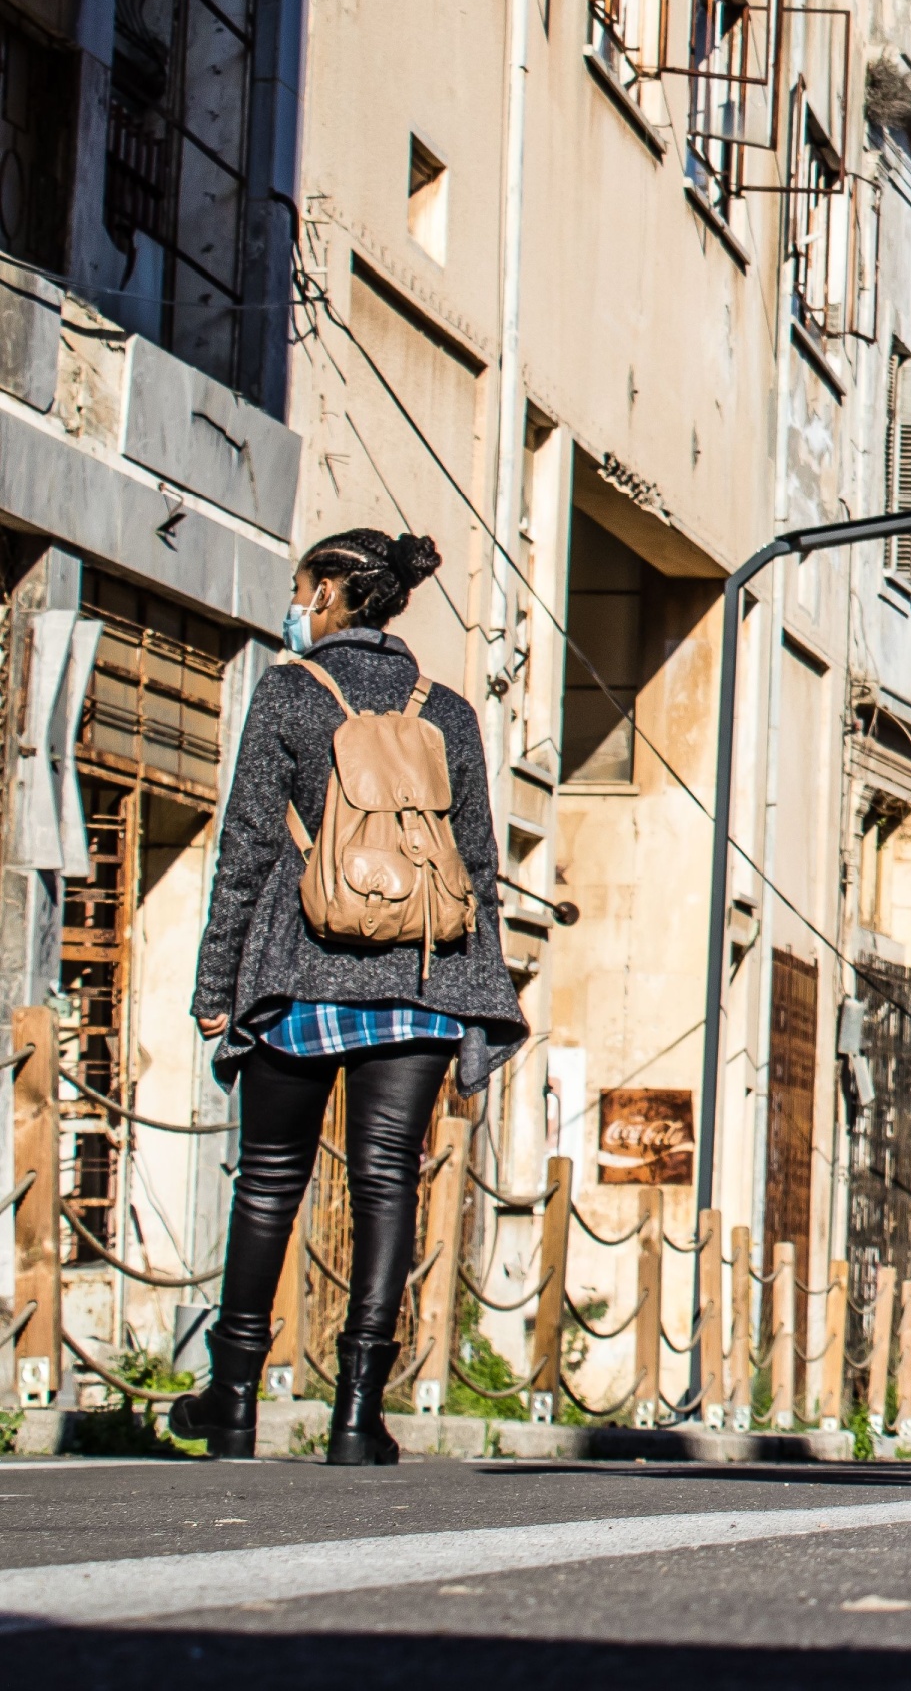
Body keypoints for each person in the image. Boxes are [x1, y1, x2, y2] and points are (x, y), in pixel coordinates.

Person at [172, 529, 526, 1465]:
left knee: (269, 1187)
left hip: (301, 976)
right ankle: (360, 1414)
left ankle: (235, 1398)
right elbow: (478, 865)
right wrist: (478, 1001)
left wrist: (217, 985)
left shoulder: (290, 691)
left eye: (304, 588)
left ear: (331, 593)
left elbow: (247, 847)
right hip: (418, 983)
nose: (299, 605)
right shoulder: (446, 709)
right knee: (385, 1187)